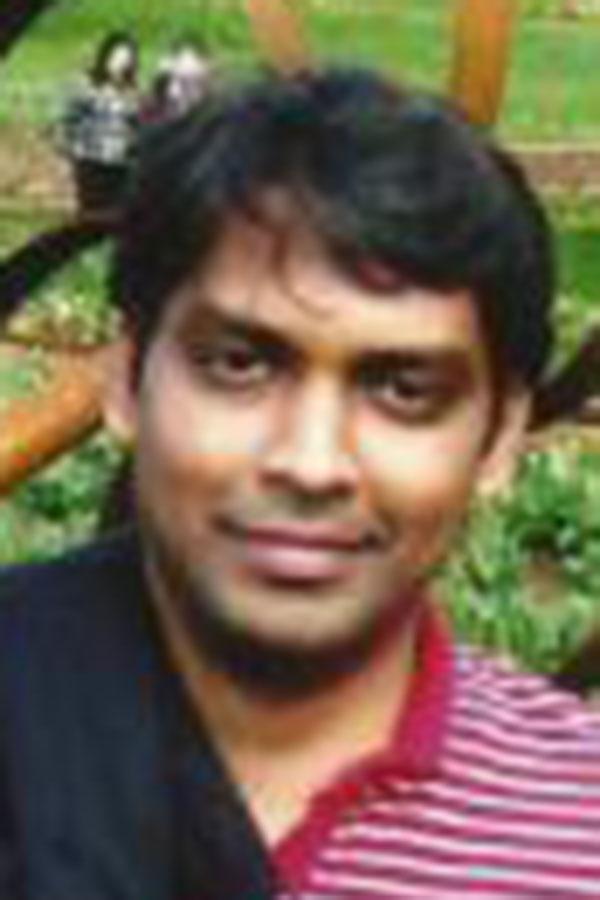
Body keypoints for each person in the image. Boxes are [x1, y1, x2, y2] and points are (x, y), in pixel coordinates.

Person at [1, 66, 599, 898]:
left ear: (499, 436)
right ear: (126, 382)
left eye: (403, 390)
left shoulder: (578, 832)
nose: (310, 463)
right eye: (239, 364)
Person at [59, 30, 140, 214]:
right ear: (106, 58)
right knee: (91, 211)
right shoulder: (87, 87)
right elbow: (70, 121)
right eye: (116, 58)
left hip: (120, 164)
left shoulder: (132, 93)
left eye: (126, 59)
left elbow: (135, 127)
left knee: (116, 212)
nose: (120, 64)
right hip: (91, 162)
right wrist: (73, 152)